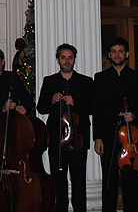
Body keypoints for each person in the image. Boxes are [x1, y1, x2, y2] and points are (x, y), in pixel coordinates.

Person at [37, 43, 93, 212]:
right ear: (57, 60)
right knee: (58, 181)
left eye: (70, 58)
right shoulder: (49, 81)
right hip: (57, 141)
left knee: (79, 181)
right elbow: (41, 108)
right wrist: (52, 101)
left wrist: (76, 103)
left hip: (78, 140)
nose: (67, 61)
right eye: (63, 58)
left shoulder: (86, 81)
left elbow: (93, 107)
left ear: (74, 60)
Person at [93, 37, 138, 212]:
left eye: (120, 51)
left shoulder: (137, 78)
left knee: (131, 180)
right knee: (109, 180)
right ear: (108, 55)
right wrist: (98, 137)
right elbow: (97, 110)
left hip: (130, 138)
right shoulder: (100, 78)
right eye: (113, 51)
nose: (117, 54)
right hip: (108, 136)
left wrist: (134, 115)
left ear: (127, 54)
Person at [0, 46, 35, 177]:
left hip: (12, 132)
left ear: (3, 62)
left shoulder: (12, 78)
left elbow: (27, 99)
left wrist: (23, 107)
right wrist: (1, 109)